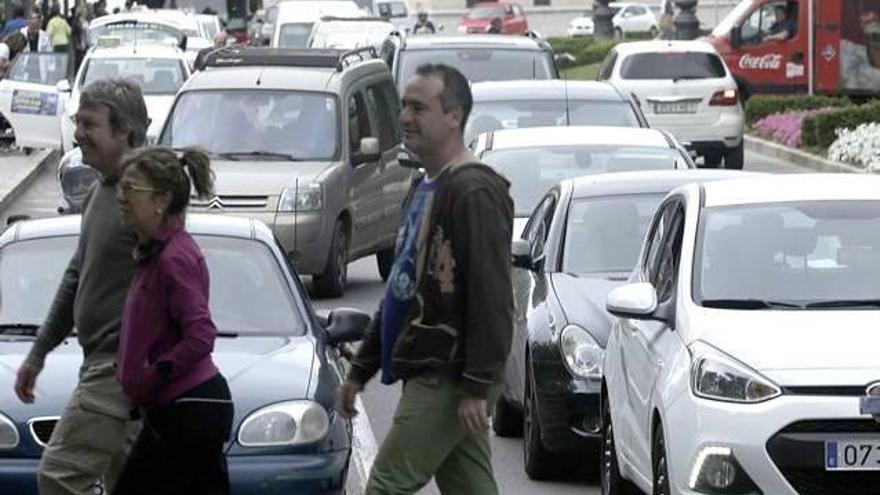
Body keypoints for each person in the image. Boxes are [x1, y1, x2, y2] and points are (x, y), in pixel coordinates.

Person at [336, 63, 514, 494]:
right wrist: (362, 368)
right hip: (438, 369)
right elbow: (400, 289)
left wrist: (475, 384)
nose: (405, 118)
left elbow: (492, 296)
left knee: (386, 484)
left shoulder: (473, 191)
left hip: (449, 373)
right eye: (404, 107)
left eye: (419, 108)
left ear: (454, 116)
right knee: (468, 485)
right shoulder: (426, 187)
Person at [14, 78, 150, 495]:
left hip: (119, 369)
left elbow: (180, 278)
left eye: (89, 124)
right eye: (78, 122)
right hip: (104, 364)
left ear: (124, 132)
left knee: (58, 476)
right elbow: (77, 275)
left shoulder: (144, 195)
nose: (77, 134)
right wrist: (39, 352)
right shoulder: (101, 192)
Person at [110, 147, 233, 495]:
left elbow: (201, 333)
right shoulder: (154, 253)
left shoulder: (174, 257)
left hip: (190, 407)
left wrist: (155, 373)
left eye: (131, 189)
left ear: (161, 200)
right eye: (121, 187)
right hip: (173, 409)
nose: (121, 197)